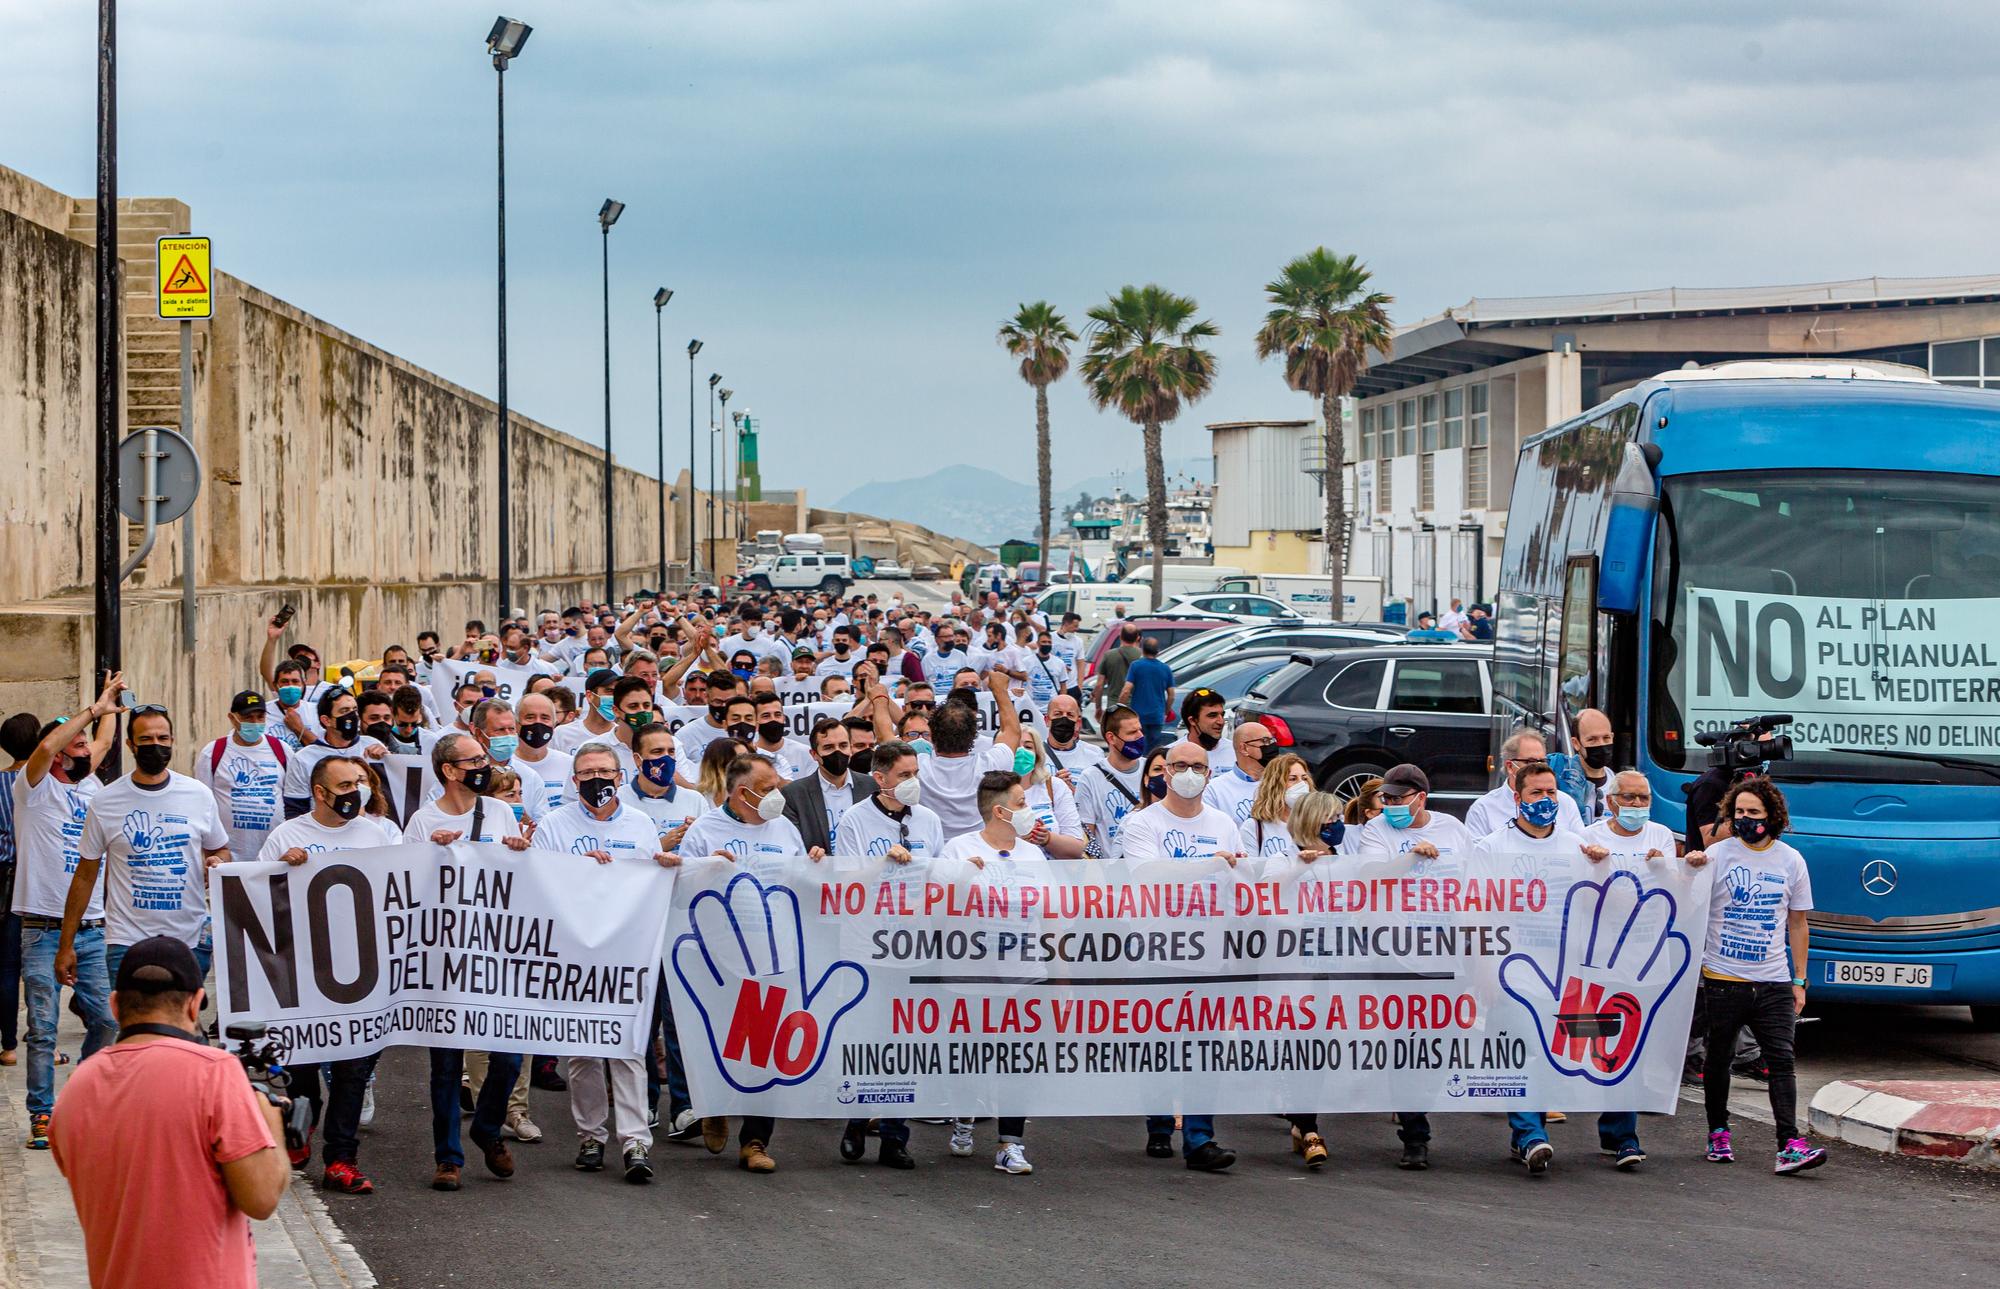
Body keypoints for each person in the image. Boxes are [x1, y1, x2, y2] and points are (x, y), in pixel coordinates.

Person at [50, 936, 289, 1289]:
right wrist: (269, 1120)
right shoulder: (215, 1071)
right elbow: (261, 1199)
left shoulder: (75, 1088)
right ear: (195, 1004)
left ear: (115, 1006)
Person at [532, 742, 677, 1183]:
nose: (598, 779)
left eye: (605, 771)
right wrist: (582, 869)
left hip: (628, 953)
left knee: (629, 1048)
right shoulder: (554, 826)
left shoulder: (639, 824)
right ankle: (590, 1136)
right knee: (583, 1052)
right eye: (588, 772)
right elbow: (541, 883)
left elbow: (650, 880)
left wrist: (664, 865)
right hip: (575, 955)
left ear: (619, 777)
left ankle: (635, 1142)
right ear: (574, 781)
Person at [256, 756, 399, 1190]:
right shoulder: (288, 834)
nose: (356, 790)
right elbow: (255, 893)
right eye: (345, 784)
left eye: (359, 781)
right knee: (302, 1066)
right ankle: (302, 1127)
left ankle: (342, 1159)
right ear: (320, 793)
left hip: (361, 972)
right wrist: (280, 867)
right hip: (304, 971)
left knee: (354, 1069)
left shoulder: (377, 836)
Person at [1473, 760, 1620, 1175]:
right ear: (1517, 798)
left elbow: (1605, 902)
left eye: (1551, 792)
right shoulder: (1492, 848)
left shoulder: (1576, 845)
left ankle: (1533, 1137)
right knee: (1522, 1054)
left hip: (1567, 976)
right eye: (1536, 793)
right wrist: (1483, 970)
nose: (1546, 800)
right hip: (1513, 974)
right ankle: (1532, 1135)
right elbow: (1477, 914)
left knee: (1569, 1054)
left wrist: (1604, 864)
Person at [402, 732, 530, 1191]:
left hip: (494, 952)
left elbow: (517, 879)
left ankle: (487, 1127)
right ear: (449, 771)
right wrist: (430, 850)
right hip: (445, 955)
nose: (484, 764)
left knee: (510, 1056)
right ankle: (448, 1157)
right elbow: (405, 884)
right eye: (473, 760)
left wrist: (518, 851)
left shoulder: (498, 811)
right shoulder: (421, 820)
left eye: (483, 757)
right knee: (444, 1063)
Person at [1114, 740, 1241, 1171]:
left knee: (1205, 1049)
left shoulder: (1224, 823)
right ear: (1164, 772)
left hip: (1210, 952)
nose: (1189, 773)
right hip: (1156, 951)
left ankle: (1200, 1139)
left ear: (1210, 774)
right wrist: (1209, 864)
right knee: (1158, 1044)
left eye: (1198, 766)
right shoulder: (1143, 823)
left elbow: (1238, 880)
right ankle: (1158, 1123)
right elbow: (1147, 874)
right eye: (1180, 765)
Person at [679, 755, 809, 1171]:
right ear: (741, 792)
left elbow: (800, 883)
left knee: (765, 1049)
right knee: (723, 1042)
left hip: (774, 956)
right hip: (719, 959)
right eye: (768, 788)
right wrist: (704, 870)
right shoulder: (704, 831)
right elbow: (679, 890)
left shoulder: (786, 829)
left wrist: (817, 865)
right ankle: (714, 1105)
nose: (778, 794)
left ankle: (755, 1140)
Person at [1698, 776, 1827, 1175]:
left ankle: (1789, 1142)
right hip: (1722, 980)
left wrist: (1799, 980)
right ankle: (1718, 1131)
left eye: (1753, 813)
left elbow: (1798, 923)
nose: (1745, 819)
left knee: (1782, 1061)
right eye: (1738, 813)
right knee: (1719, 1058)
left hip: (1772, 981)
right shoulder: (1718, 855)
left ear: (1772, 816)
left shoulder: (1791, 860)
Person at [15, 674, 123, 1149]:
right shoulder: (33, 787)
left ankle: (81, 1096)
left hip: (92, 929)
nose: (85, 750)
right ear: (58, 751)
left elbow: (102, 740)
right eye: (74, 744)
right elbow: (48, 747)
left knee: (105, 1021)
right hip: (41, 928)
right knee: (42, 1028)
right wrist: (90, 712)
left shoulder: (91, 784)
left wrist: (109, 705)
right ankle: (42, 1113)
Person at [59, 703, 230, 993]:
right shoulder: (105, 801)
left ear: (172, 741)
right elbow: (85, 875)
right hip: (127, 942)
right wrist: (66, 945)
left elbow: (222, 850)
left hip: (189, 941)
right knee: (132, 1033)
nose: (156, 745)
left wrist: (215, 862)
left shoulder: (198, 795)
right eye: (146, 740)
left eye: (162, 738)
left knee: (183, 1031)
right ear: (130, 745)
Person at [1353, 763, 1472, 1170]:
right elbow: (1369, 876)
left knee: (1440, 1045)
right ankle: (1414, 1133)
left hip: (1448, 953)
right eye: (1384, 798)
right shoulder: (1377, 831)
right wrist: (1407, 860)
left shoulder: (1453, 829)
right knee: (1404, 1045)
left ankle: (1418, 1107)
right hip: (1396, 956)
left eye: (1397, 799)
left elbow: (1477, 883)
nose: (1388, 805)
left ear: (1421, 798)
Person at [936, 771, 1042, 1174]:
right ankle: (964, 1117)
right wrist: (962, 877)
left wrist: (1061, 978)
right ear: (999, 811)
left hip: (1024, 975)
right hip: (970, 976)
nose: (1027, 810)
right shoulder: (957, 848)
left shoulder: (1033, 854)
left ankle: (1009, 1143)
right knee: (970, 1056)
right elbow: (938, 904)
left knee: (1018, 1060)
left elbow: (1051, 918)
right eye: (1020, 803)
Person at [195, 691, 289, 864]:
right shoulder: (213, 752)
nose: (255, 723)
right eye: (248, 717)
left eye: (260, 717)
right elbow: (202, 806)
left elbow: (292, 800)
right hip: (230, 858)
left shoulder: (282, 750)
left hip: (275, 856)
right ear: (232, 718)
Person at [0, 711, 40, 1070]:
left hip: (2, 878)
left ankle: (8, 1045)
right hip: (31, 878)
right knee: (36, 962)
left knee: (7, 966)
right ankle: (41, 1036)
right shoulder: (38, 783)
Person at [279, 689, 386, 819]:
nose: (353, 716)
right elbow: (295, 808)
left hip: (368, 831)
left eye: (354, 710)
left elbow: (388, 794)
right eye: (345, 711)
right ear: (326, 720)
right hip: (323, 832)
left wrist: (387, 758)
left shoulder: (372, 746)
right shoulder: (304, 758)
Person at [1463, 729, 1585, 838]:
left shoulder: (1565, 803)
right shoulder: (1483, 809)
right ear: (1510, 766)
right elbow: (1476, 857)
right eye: (1530, 762)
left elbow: (1581, 847)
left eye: (1542, 761)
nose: (1538, 768)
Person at [1075, 706, 1147, 858]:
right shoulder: (1090, 778)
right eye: (1132, 733)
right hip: (1112, 874)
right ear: (1111, 738)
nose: (1140, 736)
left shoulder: (1152, 770)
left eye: (1140, 730)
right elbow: (1087, 836)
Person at [779, 718, 856, 853]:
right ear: (814, 754)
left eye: (843, 745)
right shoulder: (794, 795)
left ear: (851, 748)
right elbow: (791, 845)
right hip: (819, 871)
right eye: (828, 747)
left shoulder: (871, 787)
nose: (837, 752)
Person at [1015, 729, 1086, 858]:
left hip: (1053, 874)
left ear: (1037, 754)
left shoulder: (1054, 786)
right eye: (1015, 746)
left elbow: (1077, 848)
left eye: (1028, 747)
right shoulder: (992, 789)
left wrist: (1046, 838)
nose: (1021, 751)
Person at [1241, 753, 1313, 862]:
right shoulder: (1254, 827)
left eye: (1304, 778)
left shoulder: (1316, 825)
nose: (1302, 784)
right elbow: (1250, 872)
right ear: (1275, 785)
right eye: (1293, 779)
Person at [1549, 707, 1616, 821]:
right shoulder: (1558, 777)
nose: (1601, 745)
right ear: (1576, 743)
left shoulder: (1618, 786)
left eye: (1606, 738)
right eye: (1592, 739)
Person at [1203, 718, 1273, 826]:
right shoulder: (1214, 790)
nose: (1270, 746)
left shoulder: (1281, 783)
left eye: (1271, 741)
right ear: (1244, 748)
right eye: (1264, 741)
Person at [1118, 637, 1175, 750]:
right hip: (1157, 715)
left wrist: (1120, 708)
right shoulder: (1165, 668)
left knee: (1138, 746)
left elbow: (1126, 690)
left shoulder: (1136, 666)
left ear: (1142, 650)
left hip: (1138, 715)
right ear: (1157, 651)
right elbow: (1172, 695)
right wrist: (1165, 711)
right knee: (1153, 749)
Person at [1040, 693, 1104, 778]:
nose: (1064, 718)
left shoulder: (1094, 754)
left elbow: (1099, 790)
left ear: (1078, 723)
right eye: (1058, 714)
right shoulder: (1034, 754)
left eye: (1070, 715)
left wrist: (1073, 790)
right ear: (1047, 720)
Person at [1095, 622, 1142, 727]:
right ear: (1138, 638)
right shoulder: (1142, 656)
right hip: (1137, 706)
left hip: (1114, 705)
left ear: (1120, 636)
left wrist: (1098, 707)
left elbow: (1099, 685)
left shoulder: (1109, 655)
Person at [1179, 688, 1236, 773]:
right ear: (1193, 720)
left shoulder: (1236, 751)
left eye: (1222, 715)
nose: (1221, 722)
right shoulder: (1172, 754)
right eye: (1212, 715)